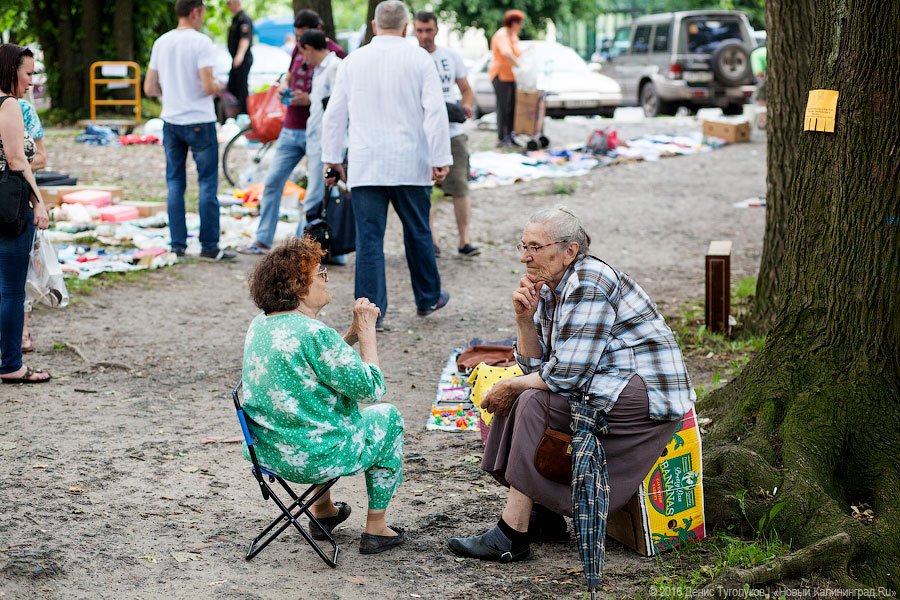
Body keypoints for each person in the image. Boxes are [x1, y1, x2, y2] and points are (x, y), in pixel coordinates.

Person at [448, 207, 695, 565]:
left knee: (530, 400)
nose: (524, 256)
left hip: (644, 395)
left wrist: (516, 385)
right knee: (520, 395)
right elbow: (538, 365)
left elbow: (565, 376)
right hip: (604, 384)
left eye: (534, 247)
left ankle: (511, 533)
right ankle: (543, 515)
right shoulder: (551, 287)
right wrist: (523, 320)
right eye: (523, 245)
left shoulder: (590, 281)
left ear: (570, 250)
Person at [241, 236, 405, 554]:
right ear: (299, 285)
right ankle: (376, 529)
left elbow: (310, 371)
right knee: (388, 417)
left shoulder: (260, 325)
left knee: (311, 409)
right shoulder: (315, 334)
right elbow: (372, 389)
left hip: (270, 452)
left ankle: (323, 513)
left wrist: (350, 336)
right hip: (315, 456)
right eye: (321, 273)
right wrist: (368, 331)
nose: (326, 279)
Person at [322, 0, 452, 331]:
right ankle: (428, 297)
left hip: (367, 164)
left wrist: (332, 159)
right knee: (418, 231)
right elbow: (435, 111)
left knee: (369, 240)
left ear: (375, 25)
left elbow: (335, 114)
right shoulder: (419, 58)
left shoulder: (352, 61)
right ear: (407, 27)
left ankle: (370, 312)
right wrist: (441, 158)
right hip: (412, 161)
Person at [239, 9, 346, 256]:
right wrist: (284, 86)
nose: (300, 45)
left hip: (318, 133)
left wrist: (309, 99)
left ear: (317, 32)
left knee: (315, 192)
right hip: (293, 127)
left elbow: (335, 100)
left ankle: (304, 247)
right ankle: (263, 239)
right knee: (273, 181)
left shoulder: (335, 58)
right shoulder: (301, 48)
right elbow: (290, 74)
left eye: (303, 38)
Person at [144, 0, 235, 261]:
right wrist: (219, 85)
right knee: (207, 184)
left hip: (171, 120)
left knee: (174, 183)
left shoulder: (162, 42)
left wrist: (172, 92)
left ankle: (178, 244)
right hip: (198, 119)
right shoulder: (201, 42)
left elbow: (149, 87)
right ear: (195, 12)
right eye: (203, 12)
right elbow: (208, 85)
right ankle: (209, 246)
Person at [0, 44, 51, 384]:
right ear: (10, 69)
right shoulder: (9, 106)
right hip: (9, 207)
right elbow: (18, 160)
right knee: (11, 290)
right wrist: (39, 202)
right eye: (28, 73)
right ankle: (12, 364)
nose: (32, 81)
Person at [413, 11, 480, 259]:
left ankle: (465, 240)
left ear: (437, 30)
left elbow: (466, 89)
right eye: (419, 31)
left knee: (460, 187)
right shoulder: (411, 58)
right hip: (421, 133)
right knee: (424, 188)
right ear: (413, 30)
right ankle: (431, 241)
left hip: (452, 131)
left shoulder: (450, 57)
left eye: (428, 30)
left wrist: (467, 105)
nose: (424, 36)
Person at [18, 96, 45, 354]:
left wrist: (16, 163)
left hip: (19, 199)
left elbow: (41, 157)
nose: (30, 80)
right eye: (27, 73)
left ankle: (21, 331)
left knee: (20, 271)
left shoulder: (24, 109)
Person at [489, 10, 525, 147]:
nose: (521, 25)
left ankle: (510, 135)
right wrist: (519, 65)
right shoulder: (502, 35)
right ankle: (502, 137)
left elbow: (518, 52)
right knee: (503, 107)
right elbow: (506, 53)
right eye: (519, 22)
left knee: (512, 107)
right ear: (513, 23)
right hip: (500, 75)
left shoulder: (513, 35)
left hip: (511, 76)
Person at [225, 0, 253, 116]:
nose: (228, 6)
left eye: (229, 3)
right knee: (232, 86)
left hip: (242, 59)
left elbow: (245, 38)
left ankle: (244, 113)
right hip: (236, 59)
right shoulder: (236, 19)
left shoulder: (243, 18)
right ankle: (239, 110)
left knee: (242, 87)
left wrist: (239, 56)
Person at [750, 44, 767, 128]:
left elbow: (759, 73)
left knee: (761, 100)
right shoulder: (765, 50)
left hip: (765, 77)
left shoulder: (755, 54)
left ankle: (764, 122)